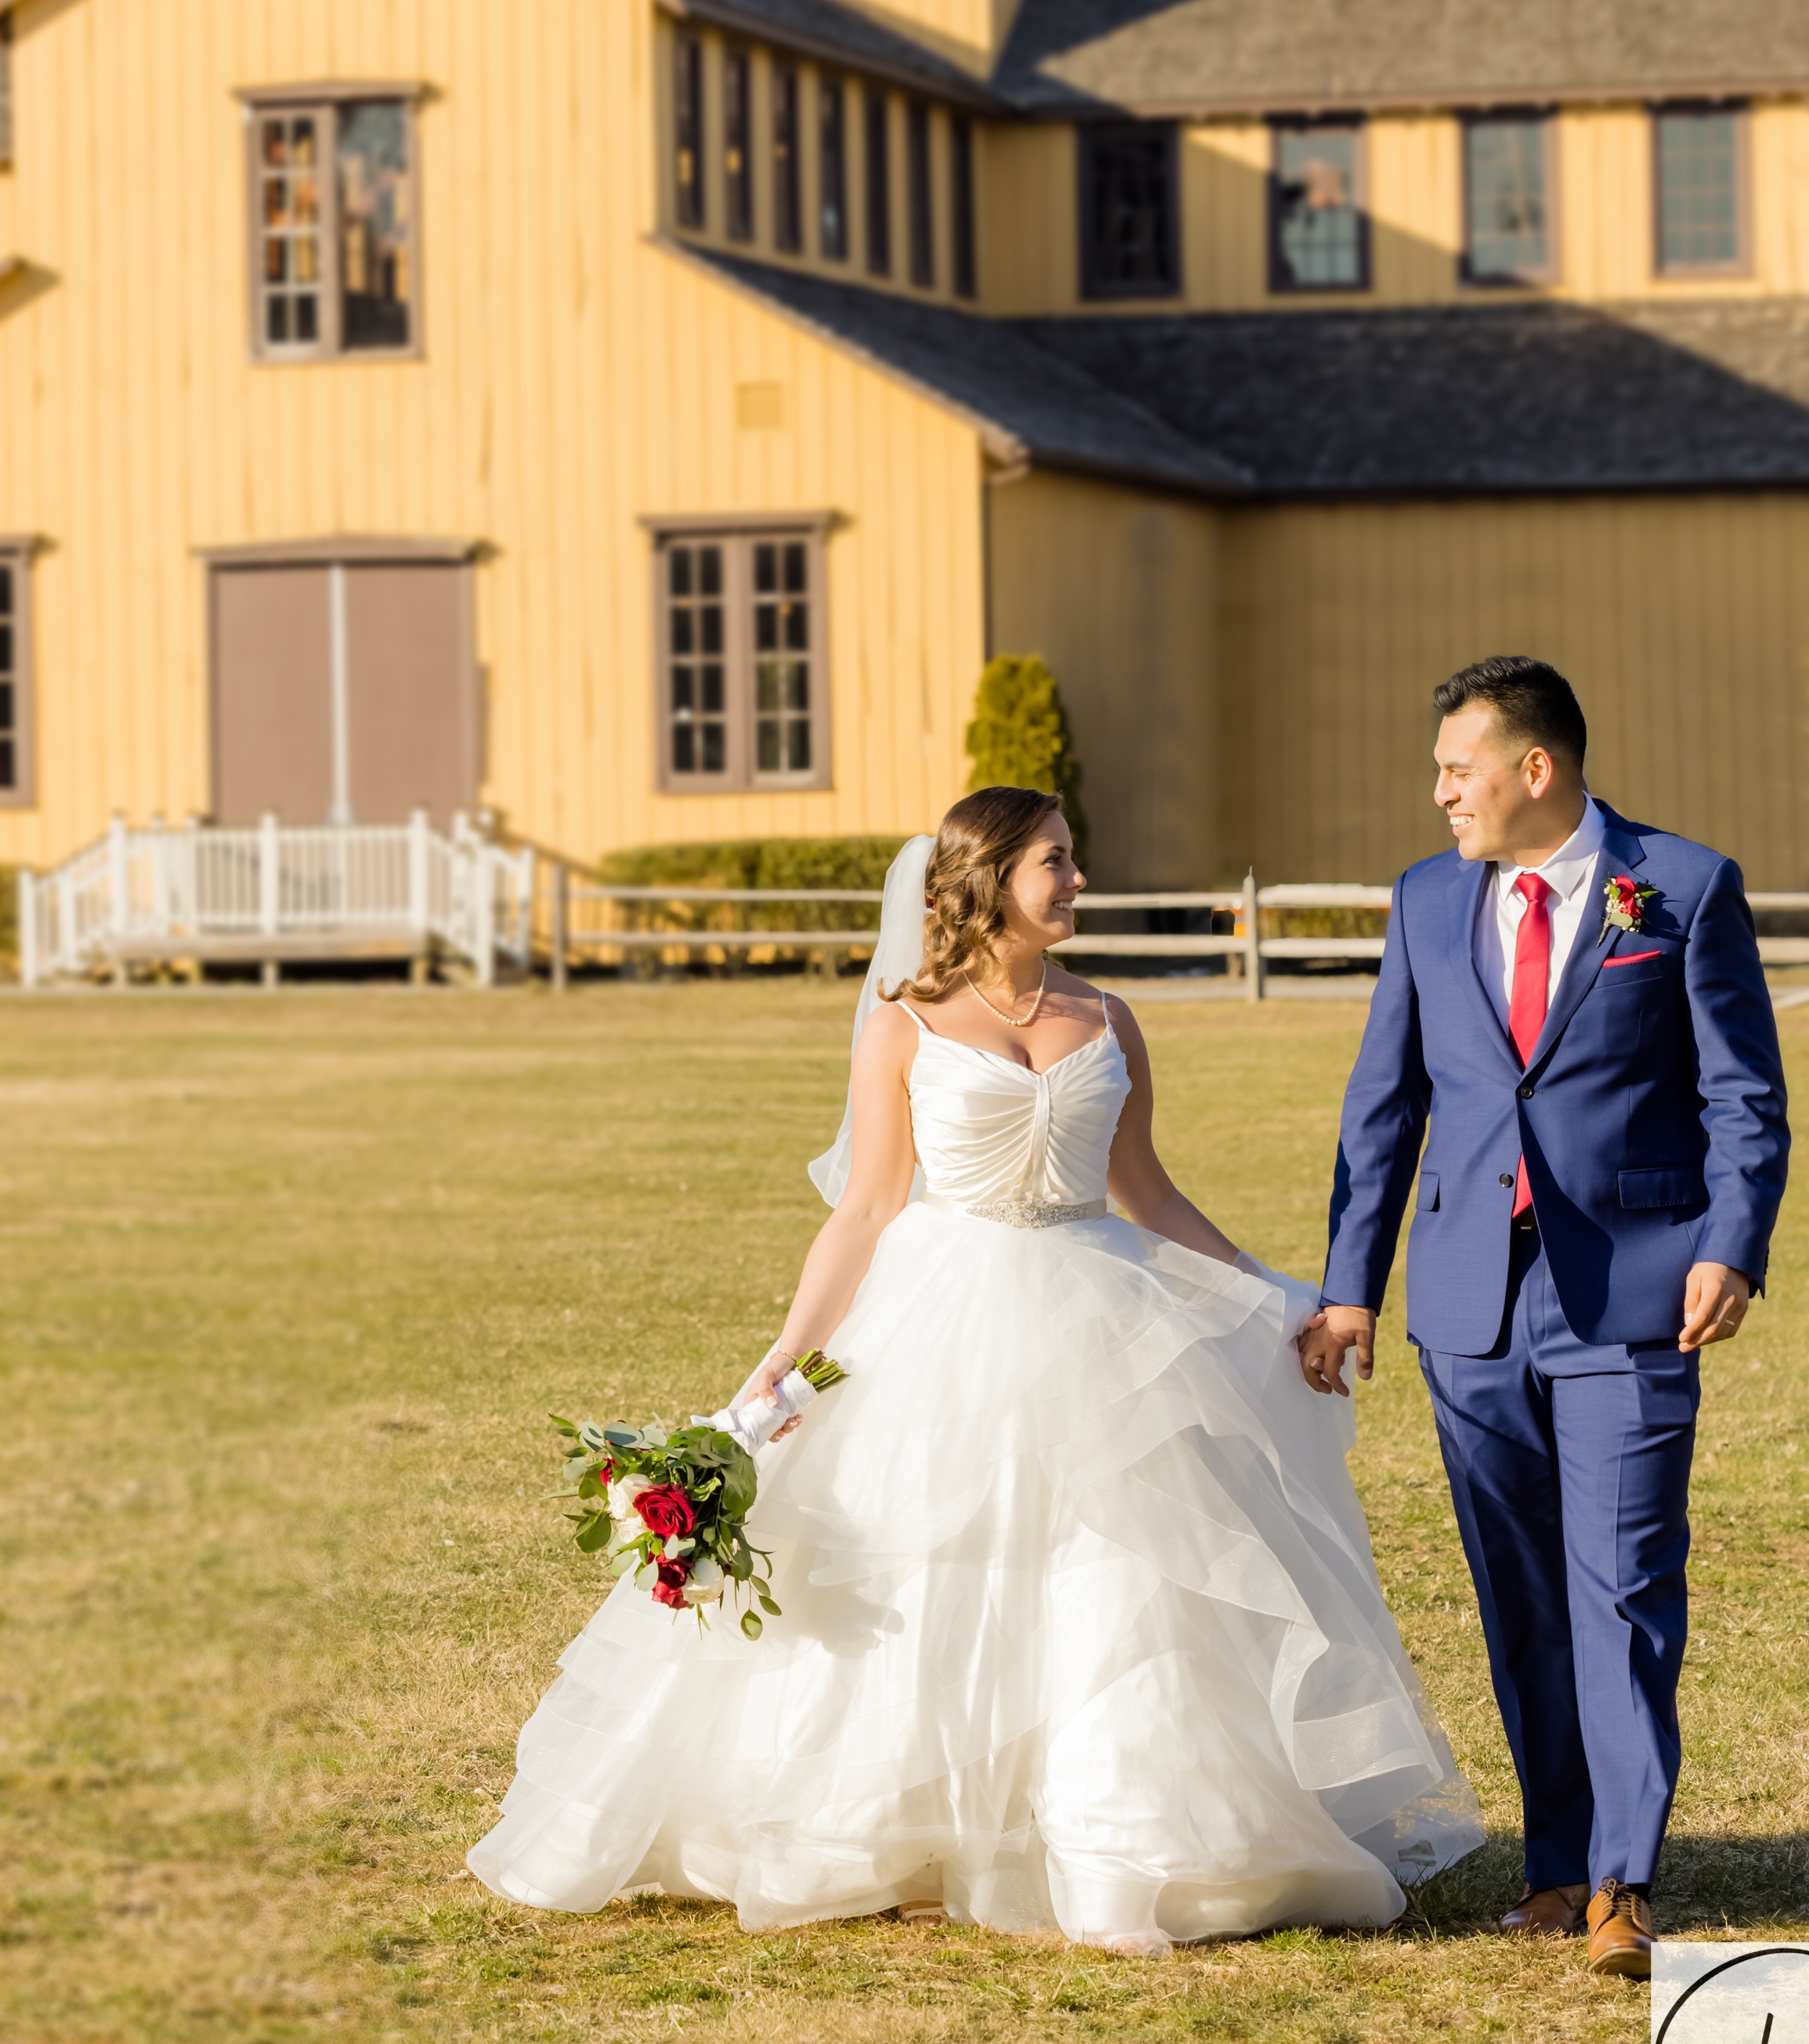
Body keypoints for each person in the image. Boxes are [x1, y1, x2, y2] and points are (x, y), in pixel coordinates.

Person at [471, 787, 1482, 1955]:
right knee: (922, 1562)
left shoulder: (1109, 1015)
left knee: (1112, 1569)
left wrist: (1276, 1296)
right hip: (938, 1315)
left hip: (1095, 1304)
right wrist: (782, 1363)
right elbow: (863, 1211)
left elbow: (1144, 1191)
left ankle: (1123, 1834)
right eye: (1056, 861)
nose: (1078, 880)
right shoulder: (905, 1021)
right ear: (990, 876)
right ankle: (896, 1831)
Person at [1315, 657, 1789, 1981]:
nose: (1438, 792)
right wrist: (1353, 1284)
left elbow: (1742, 1095)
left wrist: (1731, 1247)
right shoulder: (1424, 899)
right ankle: (1557, 1865)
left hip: (1636, 1296)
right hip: (1469, 1305)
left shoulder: (1678, 890)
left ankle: (1625, 1887)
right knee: (1521, 1596)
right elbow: (1383, 1106)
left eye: (1457, 769)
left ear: (1538, 770)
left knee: (1625, 1586)